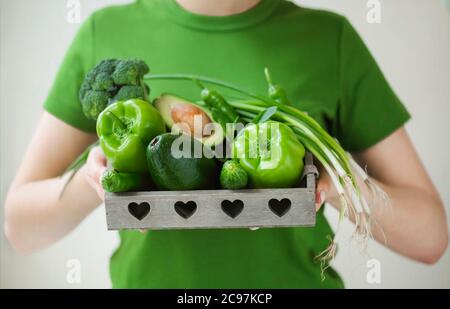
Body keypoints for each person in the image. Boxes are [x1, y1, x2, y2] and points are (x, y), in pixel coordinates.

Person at [4, 0, 448, 288]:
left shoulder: (329, 39)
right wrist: (91, 180)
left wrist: (339, 181)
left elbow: (430, 239)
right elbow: (20, 228)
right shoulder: (104, 30)